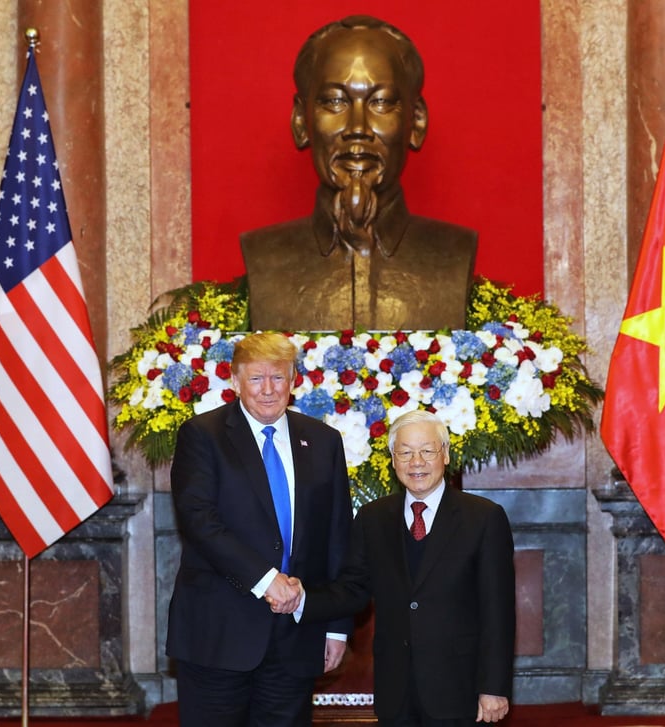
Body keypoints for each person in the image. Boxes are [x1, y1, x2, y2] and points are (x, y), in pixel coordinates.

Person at [241, 15, 477, 332]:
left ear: (416, 121)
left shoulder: (452, 253)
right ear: (301, 121)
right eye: (335, 101)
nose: (357, 129)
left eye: (380, 102)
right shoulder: (265, 256)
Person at [278, 410, 516, 724]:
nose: (416, 462)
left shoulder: (483, 518)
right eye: (404, 453)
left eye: (427, 451)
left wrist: (494, 687)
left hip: (460, 688)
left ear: (444, 455)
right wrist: (302, 598)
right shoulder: (373, 518)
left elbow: (498, 611)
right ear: (393, 460)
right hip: (395, 688)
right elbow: (352, 589)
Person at [166, 332, 354, 725]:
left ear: (294, 380)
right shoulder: (203, 436)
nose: (268, 390)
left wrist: (336, 627)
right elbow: (199, 521)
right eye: (256, 378)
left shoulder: (323, 442)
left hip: (296, 637)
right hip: (218, 635)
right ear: (235, 381)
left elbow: (338, 539)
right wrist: (266, 580)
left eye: (278, 378)